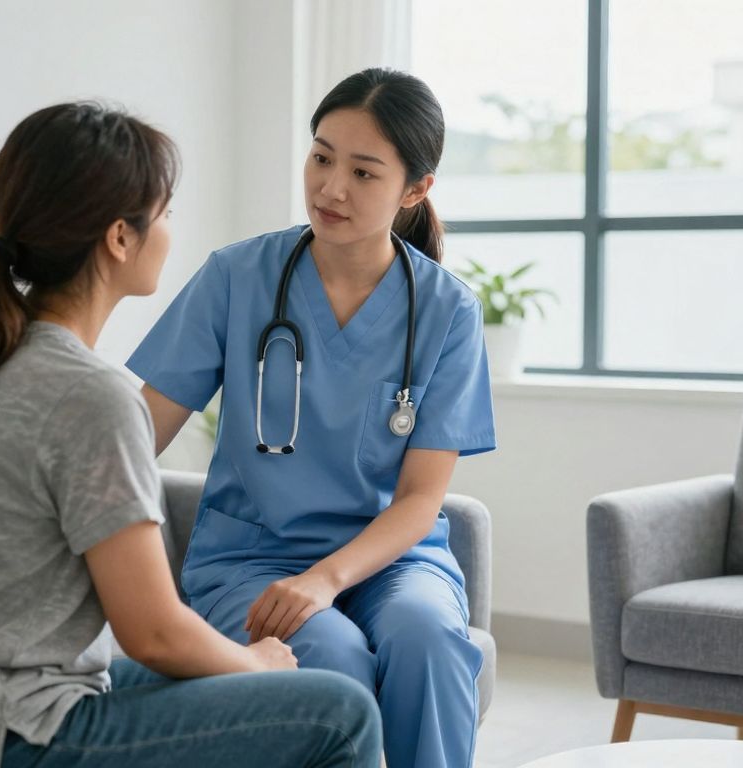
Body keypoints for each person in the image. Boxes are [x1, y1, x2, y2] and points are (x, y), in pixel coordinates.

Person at [0, 101, 381, 768]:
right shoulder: (88, 394)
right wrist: (257, 666)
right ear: (119, 238)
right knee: (339, 712)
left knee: (238, 683)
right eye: (162, 212)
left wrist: (244, 670)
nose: (169, 229)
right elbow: (155, 632)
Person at [128, 69, 496, 768]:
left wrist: (327, 577)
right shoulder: (236, 278)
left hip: (391, 559)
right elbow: (138, 430)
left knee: (427, 638)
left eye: (363, 172)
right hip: (251, 555)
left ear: (415, 190)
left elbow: (422, 499)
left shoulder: (448, 311)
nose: (331, 188)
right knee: (324, 655)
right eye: (322, 157)